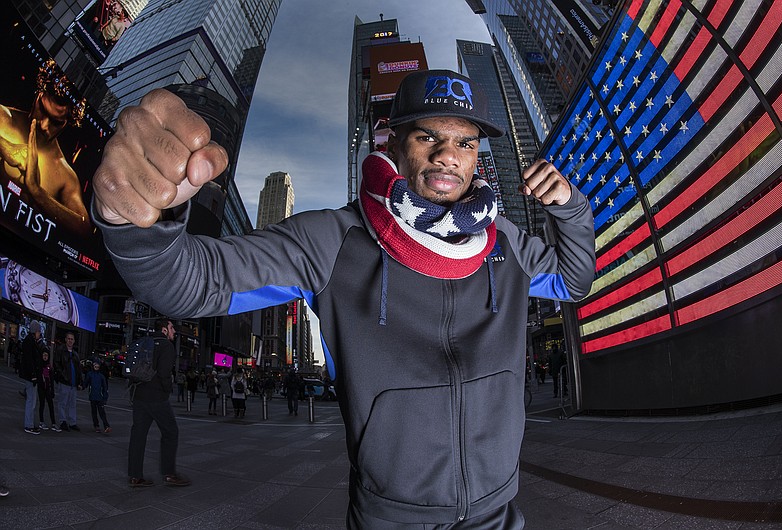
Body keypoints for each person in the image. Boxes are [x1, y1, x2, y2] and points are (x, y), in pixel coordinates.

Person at [91, 69, 595, 527]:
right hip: (390, 516)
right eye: (428, 137)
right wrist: (132, 219)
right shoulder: (331, 240)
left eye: (465, 142)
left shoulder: (503, 240)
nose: (448, 155)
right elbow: (188, 284)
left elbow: (573, 281)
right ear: (393, 140)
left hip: (497, 508)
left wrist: (570, 210)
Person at [0, 59, 90, 235]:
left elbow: (84, 227)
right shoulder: (3, 117)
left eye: (55, 122)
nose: (43, 125)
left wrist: (36, 190)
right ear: (38, 94)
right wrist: (5, 146)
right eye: (43, 109)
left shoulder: (65, 175)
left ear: (68, 123)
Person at [127, 318, 190, 487]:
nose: (174, 331)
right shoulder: (166, 346)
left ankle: (135, 476)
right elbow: (164, 374)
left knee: (138, 436)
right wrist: (167, 389)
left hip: (139, 396)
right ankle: (169, 474)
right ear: (164, 329)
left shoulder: (144, 342)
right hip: (156, 398)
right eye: (171, 328)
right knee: (171, 432)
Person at [54, 331, 83, 431]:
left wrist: (79, 382)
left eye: (72, 339)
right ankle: (63, 421)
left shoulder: (75, 354)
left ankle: (72, 422)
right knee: (62, 402)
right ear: (66, 339)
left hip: (73, 383)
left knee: (72, 404)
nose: (70, 341)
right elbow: (57, 364)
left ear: (74, 341)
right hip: (65, 381)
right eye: (69, 339)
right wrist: (62, 376)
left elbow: (79, 369)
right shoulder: (61, 350)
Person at [19, 321, 44, 435]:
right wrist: (34, 375)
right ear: (36, 331)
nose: (39, 334)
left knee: (31, 401)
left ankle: (29, 423)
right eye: (39, 331)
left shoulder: (29, 341)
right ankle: (28, 425)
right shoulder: (30, 342)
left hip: (30, 376)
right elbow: (30, 360)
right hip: (31, 377)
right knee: (31, 401)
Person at [83, 359, 111, 433]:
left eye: (97, 366)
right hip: (93, 396)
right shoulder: (90, 374)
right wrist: (82, 386)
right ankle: (97, 425)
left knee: (101, 412)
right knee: (95, 412)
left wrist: (105, 397)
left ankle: (106, 426)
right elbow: (86, 383)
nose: (96, 366)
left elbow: (105, 387)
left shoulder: (101, 376)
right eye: (95, 365)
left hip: (99, 397)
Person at [37, 350, 60, 432]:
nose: (45, 357)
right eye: (44, 355)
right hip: (41, 388)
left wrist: (52, 390)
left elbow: (52, 379)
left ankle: (53, 423)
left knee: (51, 405)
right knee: (42, 404)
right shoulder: (39, 366)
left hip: (48, 388)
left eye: (46, 355)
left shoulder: (49, 367)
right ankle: (41, 421)